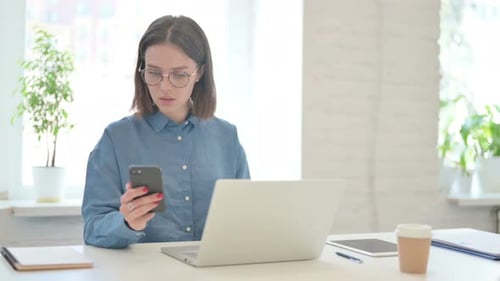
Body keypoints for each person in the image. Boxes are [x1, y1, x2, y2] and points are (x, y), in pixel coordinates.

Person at [81, 15, 250, 249]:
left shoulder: (226, 137)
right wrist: (128, 223)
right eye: (154, 73)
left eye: (179, 74)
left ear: (200, 72)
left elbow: (246, 218)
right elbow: (93, 228)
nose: (165, 86)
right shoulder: (116, 139)